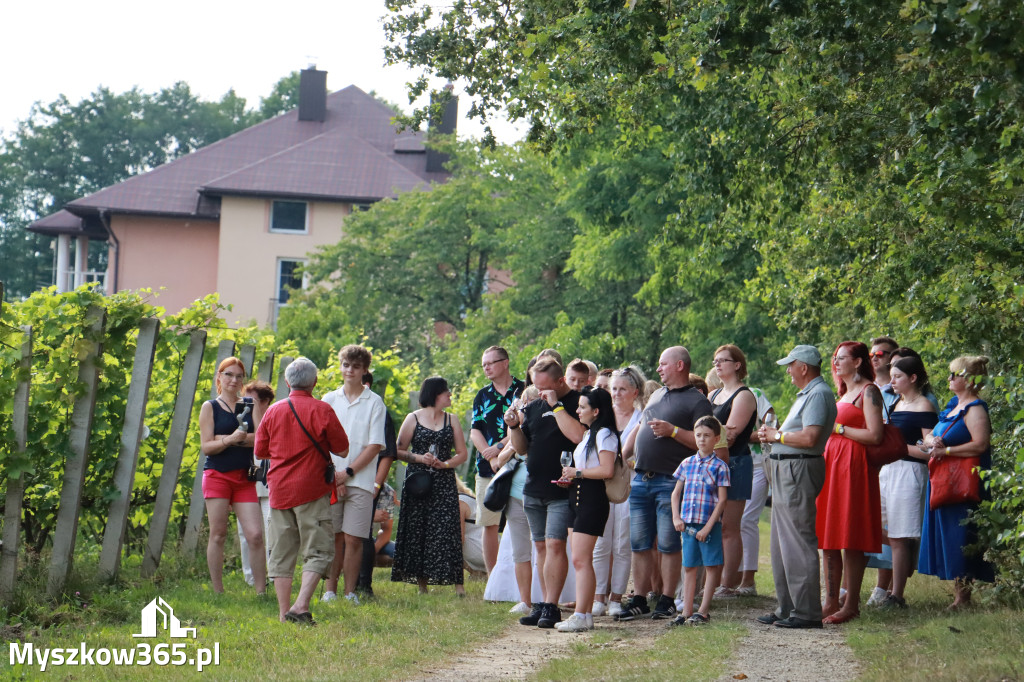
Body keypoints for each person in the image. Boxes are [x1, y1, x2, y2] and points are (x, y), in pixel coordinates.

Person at [619, 346, 716, 621]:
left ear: (680, 366)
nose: (659, 369)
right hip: (641, 478)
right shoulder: (658, 394)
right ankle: (639, 597)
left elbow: (704, 442)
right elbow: (641, 428)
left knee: (668, 543)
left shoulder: (697, 401)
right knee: (639, 542)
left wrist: (672, 431)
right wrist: (625, 454)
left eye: (664, 364)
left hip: (669, 482)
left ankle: (668, 599)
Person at [254, 357, 350, 624]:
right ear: (315, 382)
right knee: (318, 550)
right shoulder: (322, 410)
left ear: (286, 383)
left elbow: (260, 451)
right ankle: (300, 606)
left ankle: (284, 614)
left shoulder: (273, 411)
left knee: (282, 553)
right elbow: (342, 449)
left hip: (279, 491)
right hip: (312, 490)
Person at [756, 345, 836, 630]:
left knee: (798, 541)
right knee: (780, 542)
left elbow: (811, 437)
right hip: (786, 468)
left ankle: (807, 612)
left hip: (798, 468)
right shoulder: (807, 394)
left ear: (804, 366)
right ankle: (788, 607)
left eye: (791, 365)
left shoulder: (818, 394)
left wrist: (776, 434)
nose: (788, 370)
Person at [506, 357, 585, 628]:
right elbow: (522, 448)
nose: (539, 392)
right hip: (533, 487)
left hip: (563, 489)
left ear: (560, 381)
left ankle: (552, 605)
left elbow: (577, 437)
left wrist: (556, 405)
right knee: (540, 547)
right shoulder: (536, 405)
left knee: (554, 545)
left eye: (544, 387)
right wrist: (514, 425)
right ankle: (543, 604)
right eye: (535, 387)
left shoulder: (577, 403)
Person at [918, 355, 995, 609]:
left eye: (955, 374)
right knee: (951, 535)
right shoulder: (953, 405)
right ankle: (958, 594)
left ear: (970, 380)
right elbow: (931, 435)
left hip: (965, 482)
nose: (949, 378)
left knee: (962, 534)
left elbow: (980, 443)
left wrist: (947, 452)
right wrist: (933, 442)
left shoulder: (975, 408)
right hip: (944, 481)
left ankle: (964, 598)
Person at [816, 341, 885, 625]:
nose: (835, 362)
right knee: (829, 535)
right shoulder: (843, 393)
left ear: (858, 362)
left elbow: (876, 436)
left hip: (854, 467)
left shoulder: (869, 391)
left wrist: (839, 428)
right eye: (834, 358)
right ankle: (831, 600)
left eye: (841, 357)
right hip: (832, 465)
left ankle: (851, 603)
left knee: (851, 535)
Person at [321, 345, 386, 605]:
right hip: (331, 479)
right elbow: (320, 441)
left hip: (359, 480)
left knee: (354, 538)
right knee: (334, 536)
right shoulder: (328, 399)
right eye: (346, 365)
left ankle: (350, 593)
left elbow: (374, 445)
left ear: (364, 370)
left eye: (356, 366)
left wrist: (347, 473)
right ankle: (329, 591)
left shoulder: (374, 402)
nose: (350, 370)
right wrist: (335, 476)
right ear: (341, 366)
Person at [392, 377, 469, 596]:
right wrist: (419, 458)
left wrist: (444, 464)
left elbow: (462, 454)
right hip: (418, 481)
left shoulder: (451, 420)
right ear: (436, 394)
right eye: (447, 392)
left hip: (444, 482)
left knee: (449, 529)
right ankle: (422, 584)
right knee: (419, 528)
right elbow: (398, 450)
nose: (450, 396)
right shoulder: (412, 418)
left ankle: (458, 585)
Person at [873, 354, 937, 609]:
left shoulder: (924, 406)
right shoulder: (897, 404)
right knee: (871, 524)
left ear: (912, 378)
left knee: (899, 536)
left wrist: (899, 448)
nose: (892, 383)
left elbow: (928, 449)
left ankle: (896, 595)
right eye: (891, 378)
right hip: (888, 470)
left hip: (909, 473)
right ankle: (910, 551)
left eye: (897, 377)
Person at [198, 357, 265, 595]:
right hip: (217, 476)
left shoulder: (250, 404)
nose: (233, 380)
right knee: (218, 533)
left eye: (238, 376)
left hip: (243, 478)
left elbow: (259, 441)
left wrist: (224, 439)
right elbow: (207, 447)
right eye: (228, 374)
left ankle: (261, 592)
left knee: (256, 535)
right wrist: (228, 440)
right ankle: (218, 592)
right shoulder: (210, 407)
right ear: (219, 376)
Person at [554, 386, 617, 632]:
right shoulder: (591, 434)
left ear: (596, 411)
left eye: (582, 407)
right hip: (577, 495)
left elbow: (607, 470)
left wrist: (577, 473)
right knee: (579, 559)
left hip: (592, 498)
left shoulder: (605, 434)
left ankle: (582, 613)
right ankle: (585, 614)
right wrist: (571, 478)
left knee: (582, 559)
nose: (577, 411)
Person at [592, 366, 644, 618]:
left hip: (629, 486)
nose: (616, 393)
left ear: (635, 392)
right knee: (601, 542)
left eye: (622, 389)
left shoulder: (641, 417)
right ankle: (598, 597)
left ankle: (616, 597)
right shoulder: (602, 416)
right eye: (613, 388)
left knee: (623, 543)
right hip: (601, 484)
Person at [670, 416, 730, 625]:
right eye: (698, 435)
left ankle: (703, 610)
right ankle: (686, 611)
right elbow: (676, 493)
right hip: (688, 525)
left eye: (706, 436)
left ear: (716, 439)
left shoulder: (720, 467)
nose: (702, 440)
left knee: (711, 565)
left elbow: (722, 501)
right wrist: (677, 517)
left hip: (708, 525)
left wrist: (708, 527)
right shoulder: (687, 464)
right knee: (689, 566)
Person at [470, 345, 525, 575]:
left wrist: (500, 448)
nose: (486, 368)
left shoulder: (523, 390)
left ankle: (521, 575)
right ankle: (493, 578)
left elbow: (523, 425)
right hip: (487, 469)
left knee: (521, 522)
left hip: (519, 464)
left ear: (505, 362)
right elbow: (475, 430)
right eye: (484, 365)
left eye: (490, 363)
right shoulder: (482, 395)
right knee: (489, 523)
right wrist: (488, 454)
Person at [708, 345, 757, 597]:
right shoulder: (713, 394)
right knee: (711, 524)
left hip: (735, 462)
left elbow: (732, 432)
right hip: (710, 464)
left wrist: (707, 433)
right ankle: (711, 581)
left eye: (723, 361)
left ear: (737, 365)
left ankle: (727, 584)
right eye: (715, 361)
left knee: (729, 525)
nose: (717, 365)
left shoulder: (744, 395)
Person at [487, 384, 540, 615]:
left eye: (529, 403)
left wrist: (516, 450)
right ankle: (526, 600)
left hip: (539, 494)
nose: (524, 407)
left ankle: (545, 599)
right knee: (520, 551)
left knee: (542, 550)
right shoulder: (517, 428)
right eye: (523, 404)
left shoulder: (545, 425)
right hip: (515, 494)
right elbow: (500, 458)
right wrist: (513, 447)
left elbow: (525, 451)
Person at [356, 371, 397, 597]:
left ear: (367, 385)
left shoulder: (380, 411)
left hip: (368, 482)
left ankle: (364, 586)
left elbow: (387, 454)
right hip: (344, 479)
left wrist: (375, 486)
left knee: (363, 535)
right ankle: (343, 584)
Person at [735, 387, 774, 595]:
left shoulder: (754, 394)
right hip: (730, 464)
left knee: (746, 520)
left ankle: (748, 580)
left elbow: (771, 423)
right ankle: (730, 579)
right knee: (730, 524)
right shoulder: (714, 397)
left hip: (757, 464)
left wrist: (744, 436)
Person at [239, 380, 276, 587]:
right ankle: (251, 577)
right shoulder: (241, 421)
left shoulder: (274, 419)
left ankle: (273, 573)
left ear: (266, 402)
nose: (248, 404)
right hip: (246, 482)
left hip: (269, 483)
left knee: (272, 528)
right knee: (246, 532)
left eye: (252, 400)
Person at [456, 478, 487, 576]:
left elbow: (459, 538)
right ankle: (480, 573)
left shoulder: (459, 502)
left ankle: (476, 573)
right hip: (486, 547)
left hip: (481, 550)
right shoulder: (466, 497)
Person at [870, 336, 900, 411]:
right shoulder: (864, 388)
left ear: (893, 357)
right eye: (871, 355)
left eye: (879, 354)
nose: (874, 358)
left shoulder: (905, 388)